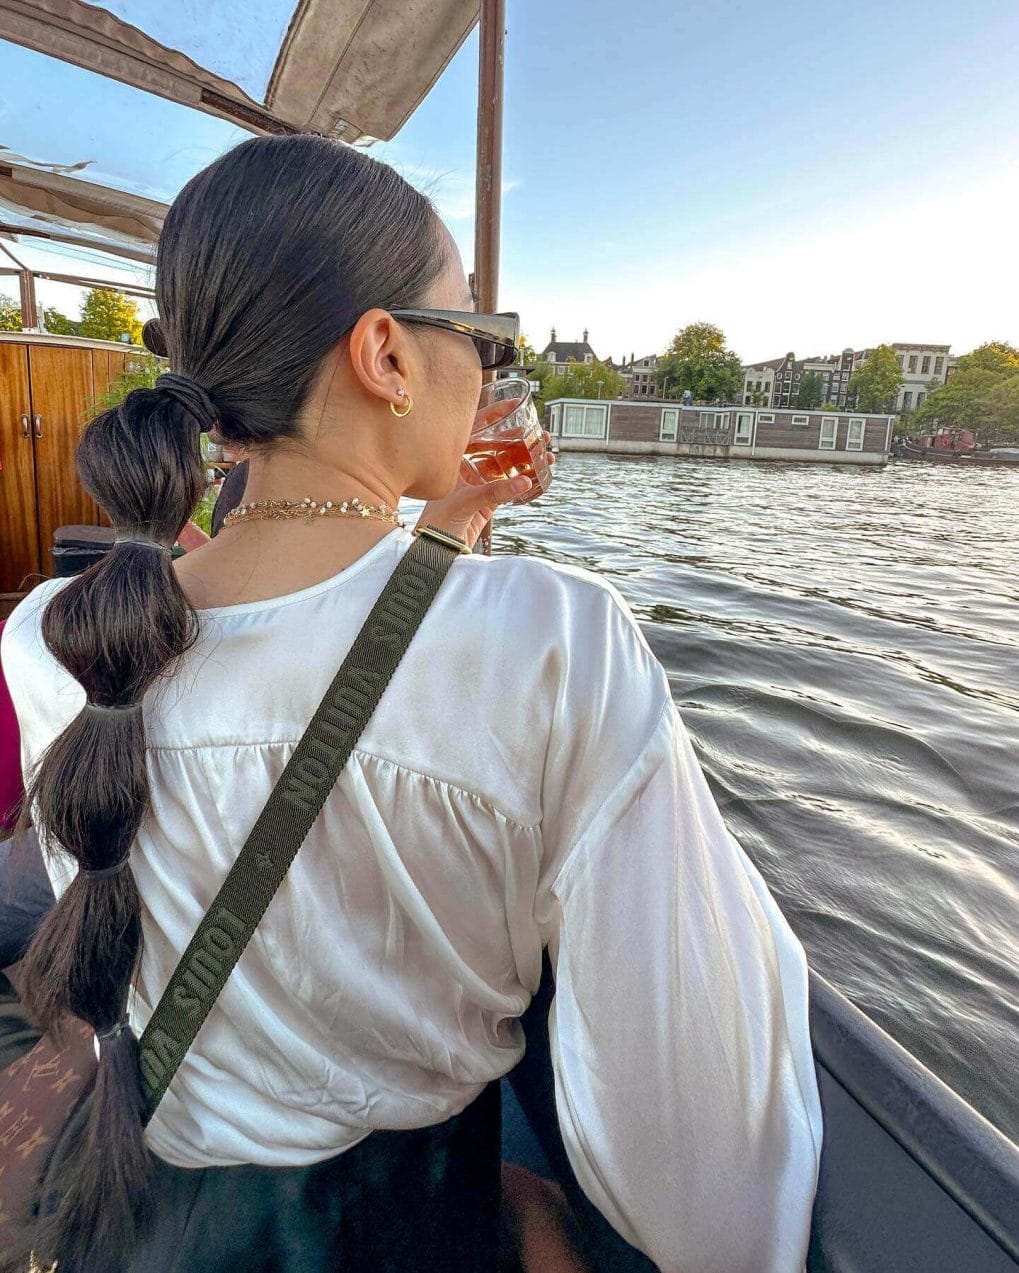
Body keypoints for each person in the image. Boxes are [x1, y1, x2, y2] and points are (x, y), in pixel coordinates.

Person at [1, 134, 821, 1272]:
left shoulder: (49, 637)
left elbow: (317, 646)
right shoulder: (558, 642)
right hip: (404, 1231)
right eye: (478, 336)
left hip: (142, 1219)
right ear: (386, 353)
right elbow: (701, 1147)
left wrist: (446, 534)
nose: (488, 370)